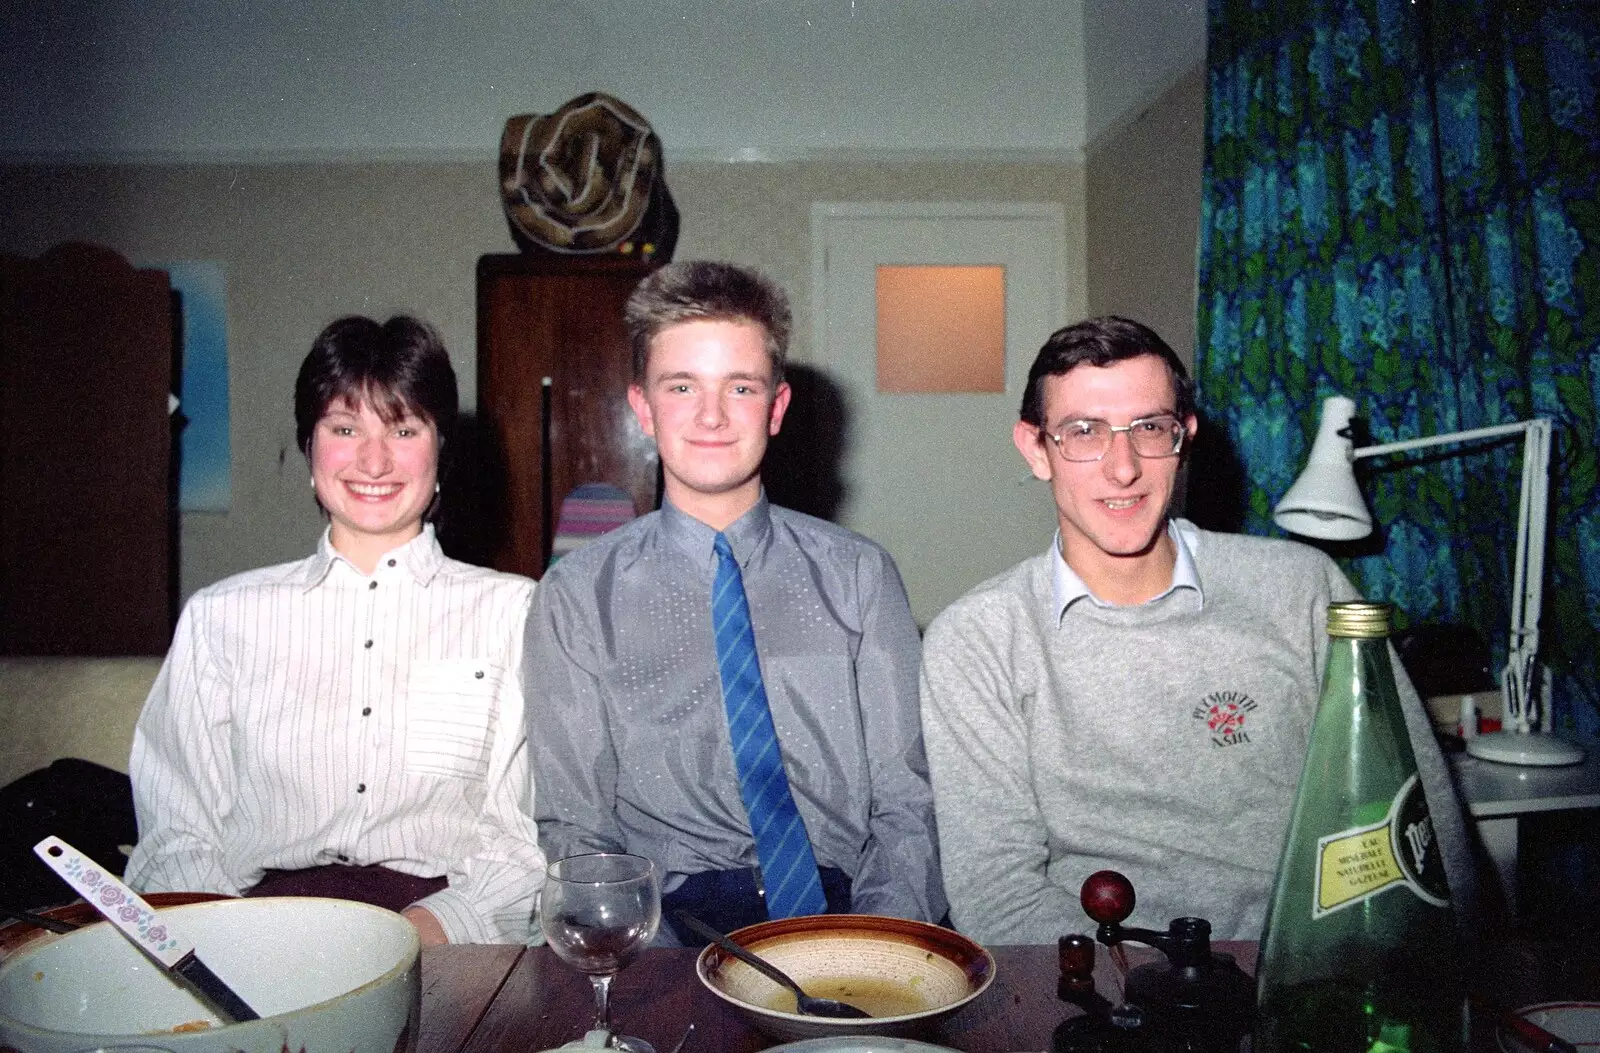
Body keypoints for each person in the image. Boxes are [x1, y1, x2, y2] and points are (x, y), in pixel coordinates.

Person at [918, 316, 1474, 944]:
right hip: (1111, 991)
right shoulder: (978, 640)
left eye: (1150, 428)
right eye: (1083, 432)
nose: (1122, 469)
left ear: (1183, 437)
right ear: (1035, 449)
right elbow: (1000, 898)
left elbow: (1421, 818)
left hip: (1311, 970)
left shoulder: (1301, 591)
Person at [525, 260, 946, 944]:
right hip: (671, 922)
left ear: (776, 408)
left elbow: (908, 801)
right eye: (682, 385)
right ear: (642, 408)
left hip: (845, 905)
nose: (712, 415)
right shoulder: (576, 597)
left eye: (740, 387)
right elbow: (578, 829)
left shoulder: (860, 577)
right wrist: (655, 968)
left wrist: (876, 946)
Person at [126, 315, 544, 946]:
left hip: (443, 936)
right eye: (344, 429)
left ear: (440, 452)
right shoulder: (221, 618)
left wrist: (420, 935)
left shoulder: (515, 613)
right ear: (310, 449)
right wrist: (230, 943)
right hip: (252, 930)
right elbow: (175, 834)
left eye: (404, 429)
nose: (374, 460)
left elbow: (525, 842)